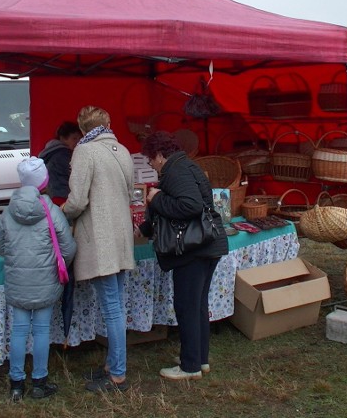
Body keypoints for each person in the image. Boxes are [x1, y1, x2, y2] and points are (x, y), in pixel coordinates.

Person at [137, 131, 228, 381]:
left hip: (194, 250)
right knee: (197, 306)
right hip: (208, 245)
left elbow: (190, 206)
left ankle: (190, 367)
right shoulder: (187, 166)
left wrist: (156, 199)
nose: (151, 165)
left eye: (150, 160)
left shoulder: (176, 171)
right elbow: (182, 208)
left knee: (187, 307)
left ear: (158, 155)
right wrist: (145, 228)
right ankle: (199, 359)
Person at [63, 106, 135, 393]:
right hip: (120, 236)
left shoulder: (85, 151)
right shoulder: (123, 150)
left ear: (82, 129)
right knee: (115, 304)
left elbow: (78, 200)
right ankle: (112, 364)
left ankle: (117, 373)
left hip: (101, 238)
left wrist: (62, 213)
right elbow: (130, 193)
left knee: (112, 308)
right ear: (108, 123)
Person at [0, 156, 77, 402]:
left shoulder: (9, 212)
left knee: (19, 331)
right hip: (46, 280)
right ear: (44, 182)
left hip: (17, 280)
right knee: (41, 331)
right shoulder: (51, 211)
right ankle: (39, 382)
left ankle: (16, 384)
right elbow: (68, 247)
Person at [38, 121, 82, 204]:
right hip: (63, 197)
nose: (78, 142)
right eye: (74, 138)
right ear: (62, 138)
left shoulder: (52, 152)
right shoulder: (63, 154)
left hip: (53, 195)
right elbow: (76, 175)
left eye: (80, 138)